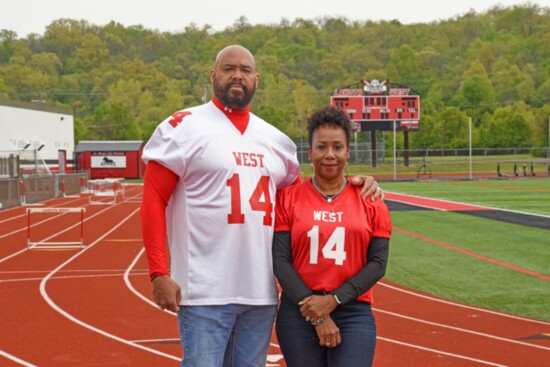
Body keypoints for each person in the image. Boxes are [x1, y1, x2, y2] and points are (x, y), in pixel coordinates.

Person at [140, 45, 382, 367]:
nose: (237, 74)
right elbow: (154, 198)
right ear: (214, 76)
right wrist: (159, 272)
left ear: (256, 79)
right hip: (205, 291)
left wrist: (355, 183)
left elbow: (306, 201)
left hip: (260, 293)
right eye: (228, 68)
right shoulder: (184, 126)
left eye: (244, 69)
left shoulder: (276, 141)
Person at [273, 105, 392, 367]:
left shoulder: (371, 200)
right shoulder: (288, 198)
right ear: (310, 152)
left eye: (337, 147)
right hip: (299, 309)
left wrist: (333, 300)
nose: (329, 155)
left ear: (348, 152)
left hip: (352, 310)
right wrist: (316, 313)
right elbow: (280, 260)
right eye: (322, 147)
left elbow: (378, 264)